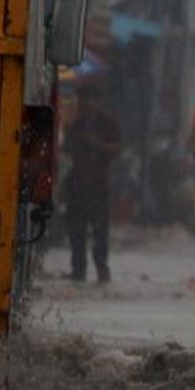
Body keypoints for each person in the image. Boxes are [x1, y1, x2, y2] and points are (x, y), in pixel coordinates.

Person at [62, 83, 122, 283]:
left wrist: (95, 143)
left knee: (99, 231)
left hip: (98, 184)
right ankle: (78, 270)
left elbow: (116, 149)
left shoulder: (107, 121)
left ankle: (101, 268)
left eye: (86, 101)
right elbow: (66, 147)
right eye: (81, 102)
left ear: (96, 101)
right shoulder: (76, 122)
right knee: (76, 229)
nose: (83, 105)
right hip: (77, 182)